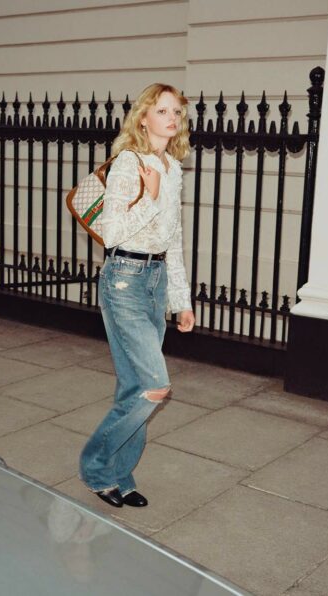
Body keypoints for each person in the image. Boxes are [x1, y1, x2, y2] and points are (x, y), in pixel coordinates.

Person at [78, 83, 195, 509]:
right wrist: (149, 195)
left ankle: (120, 476)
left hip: (156, 279)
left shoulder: (173, 166)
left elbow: (174, 239)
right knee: (154, 386)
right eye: (161, 110)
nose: (171, 118)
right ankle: (95, 468)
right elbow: (112, 233)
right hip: (124, 279)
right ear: (143, 117)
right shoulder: (129, 162)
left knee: (133, 387)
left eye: (176, 112)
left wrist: (181, 299)